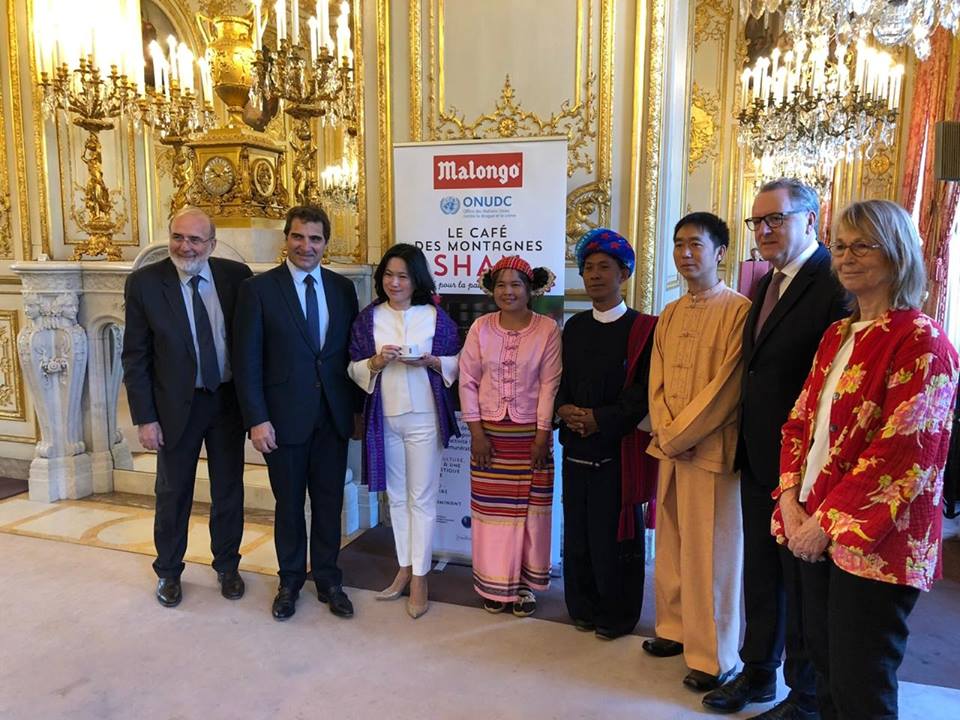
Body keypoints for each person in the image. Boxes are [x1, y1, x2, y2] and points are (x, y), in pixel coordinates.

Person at [774, 200, 958, 719]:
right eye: (840, 246)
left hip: (880, 541)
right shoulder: (837, 334)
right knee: (828, 675)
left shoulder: (923, 339)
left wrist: (824, 524)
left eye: (862, 244)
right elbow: (798, 423)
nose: (846, 257)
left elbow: (905, 453)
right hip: (810, 523)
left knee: (862, 687)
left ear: (896, 253)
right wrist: (791, 501)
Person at [703, 178, 848, 719]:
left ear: (809, 219)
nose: (763, 230)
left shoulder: (834, 281)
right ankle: (758, 674)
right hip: (761, 456)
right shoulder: (764, 282)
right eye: (756, 221)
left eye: (775, 220)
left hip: (809, 468)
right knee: (760, 574)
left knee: (803, 585)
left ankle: (804, 697)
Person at [233, 205, 360, 621]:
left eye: (316, 239)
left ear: (326, 243)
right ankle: (289, 581)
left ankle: (328, 579)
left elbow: (349, 356)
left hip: (332, 417)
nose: (307, 246)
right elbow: (246, 360)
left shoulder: (343, 290)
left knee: (328, 502)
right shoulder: (259, 290)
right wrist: (256, 418)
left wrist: (355, 413)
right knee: (288, 505)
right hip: (281, 420)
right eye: (299, 237)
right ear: (284, 239)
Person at [122, 207, 251, 607]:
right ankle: (169, 572)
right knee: (173, 491)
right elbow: (135, 356)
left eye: (195, 239)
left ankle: (227, 566)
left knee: (229, 489)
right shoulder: (145, 283)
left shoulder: (236, 278)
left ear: (211, 244)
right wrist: (145, 418)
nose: (185, 246)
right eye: (178, 237)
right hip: (176, 406)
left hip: (227, 401)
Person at [643, 213, 750, 691]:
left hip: (709, 450)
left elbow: (729, 387)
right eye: (679, 244)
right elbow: (656, 380)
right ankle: (673, 630)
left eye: (697, 245)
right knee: (669, 541)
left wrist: (679, 434)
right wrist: (666, 430)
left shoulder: (739, 310)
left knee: (712, 554)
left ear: (720, 252)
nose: (686, 253)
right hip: (669, 446)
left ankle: (714, 656)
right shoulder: (670, 312)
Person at [347, 243, 461, 619]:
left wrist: (433, 361)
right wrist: (376, 362)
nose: (394, 283)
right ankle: (404, 567)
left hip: (425, 417)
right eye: (388, 275)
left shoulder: (436, 318)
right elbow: (353, 367)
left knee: (422, 499)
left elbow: (458, 362)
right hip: (386, 417)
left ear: (416, 280)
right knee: (396, 498)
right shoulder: (369, 319)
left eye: (403, 276)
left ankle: (421, 578)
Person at [556, 228, 658, 640]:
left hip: (618, 451)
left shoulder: (644, 330)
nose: (595, 275)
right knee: (577, 534)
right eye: (588, 268)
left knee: (612, 537)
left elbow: (643, 394)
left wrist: (600, 418)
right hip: (575, 447)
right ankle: (581, 607)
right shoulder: (575, 326)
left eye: (605, 267)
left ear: (624, 274)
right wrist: (564, 409)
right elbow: (562, 379)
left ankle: (616, 616)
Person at [459, 255, 562, 616]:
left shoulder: (547, 329)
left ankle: (523, 587)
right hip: (489, 435)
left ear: (530, 288)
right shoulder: (480, 329)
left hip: (531, 437)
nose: (508, 291)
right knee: (492, 514)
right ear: (492, 289)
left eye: (516, 284)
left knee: (530, 513)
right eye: (501, 284)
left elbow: (550, 385)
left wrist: (541, 436)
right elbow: (468, 381)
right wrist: (477, 433)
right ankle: (494, 584)